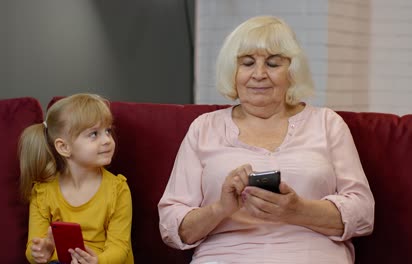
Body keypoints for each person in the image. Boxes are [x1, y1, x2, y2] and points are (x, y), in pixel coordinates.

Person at [158, 16, 374, 264]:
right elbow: (172, 226)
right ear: (233, 71)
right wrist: (221, 209)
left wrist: (298, 210)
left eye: (273, 64)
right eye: (247, 63)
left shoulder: (327, 123)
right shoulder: (204, 128)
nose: (259, 74)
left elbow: (364, 213)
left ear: (292, 73)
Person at [19, 93, 134, 264]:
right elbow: (33, 249)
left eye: (108, 131)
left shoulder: (117, 190)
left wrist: (97, 261)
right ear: (63, 147)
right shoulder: (43, 192)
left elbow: (120, 248)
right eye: (94, 134)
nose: (107, 140)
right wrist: (41, 252)